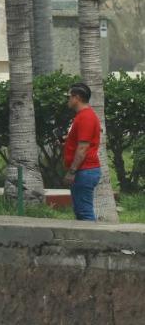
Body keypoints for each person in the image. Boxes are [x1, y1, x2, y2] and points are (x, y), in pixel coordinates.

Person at [63, 82, 103, 221]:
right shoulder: (83, 116)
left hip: (84, 170)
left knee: (84, 212)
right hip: (84, 170)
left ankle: (93, 242)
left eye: (69, 97)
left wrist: (72, 171)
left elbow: (83, 148)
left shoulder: (86, 117)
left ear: (77, 98)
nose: (68, 100)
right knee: (81, 211)